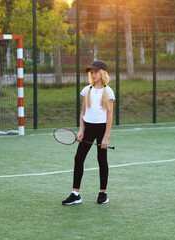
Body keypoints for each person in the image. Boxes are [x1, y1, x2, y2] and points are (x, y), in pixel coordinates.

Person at [62, 60, 115, 205]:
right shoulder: (87, 90)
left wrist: (105, 137)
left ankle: (103, 193)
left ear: (102, 73)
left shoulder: (108, 91)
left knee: (101, 159)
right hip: (89, 129)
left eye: (96, 71)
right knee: (78, 158)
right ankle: (75, 194)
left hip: (102, 128)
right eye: (91, 72)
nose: (93, 74)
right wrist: (81, 131)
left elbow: (110, 116)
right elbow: (83, 112)